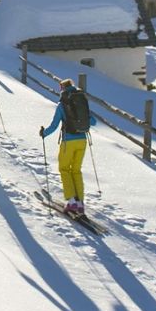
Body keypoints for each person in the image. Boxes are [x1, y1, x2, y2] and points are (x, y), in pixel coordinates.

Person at [40, 77, 96, 215]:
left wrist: (44, 133)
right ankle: (80, 203)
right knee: (76, 170)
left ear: (62, 88)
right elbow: (93, 121)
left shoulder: (62, 104)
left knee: (64, 169)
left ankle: (71, 202)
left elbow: (54, 125)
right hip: (82, 140)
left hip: (68, 141)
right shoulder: (81, 101)